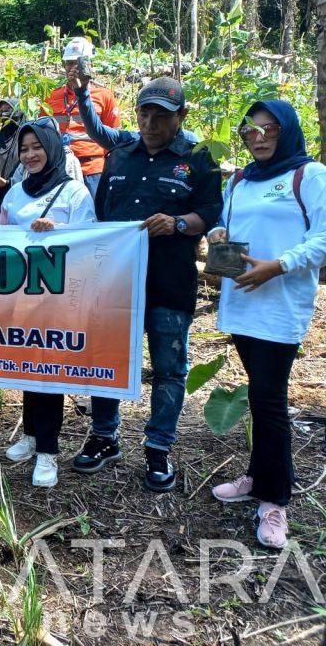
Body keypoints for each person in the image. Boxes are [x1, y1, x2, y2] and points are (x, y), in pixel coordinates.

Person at [69, 75, 223, 492]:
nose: (151, 123)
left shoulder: (199, 159)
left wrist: (177, 224)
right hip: (116, 283)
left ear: (181, 117)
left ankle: (158, 446)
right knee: (106, 360)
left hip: (170, 282)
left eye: (162, 116)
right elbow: (101, 219)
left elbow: (210, 212)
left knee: (169, 369)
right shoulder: (119, 157)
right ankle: (105, 436)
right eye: (145, 113)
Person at [207, 101, 325, 549]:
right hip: (242, 302)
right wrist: (216, 234)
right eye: (249, 129)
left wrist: (278, 266)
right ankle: (260, 476)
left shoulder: (309, 176)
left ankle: (275, 501)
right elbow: (224, 220)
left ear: (287, 130)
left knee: (269, 400)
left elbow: (323, 235)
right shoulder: (240, 179)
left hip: (280, 305)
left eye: (268, 128)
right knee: (260, 394)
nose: (257, 136)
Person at [0, 121, 96, 487]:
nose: (30, 155)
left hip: (57, 298)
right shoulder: (14, 193)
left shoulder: (74, 193)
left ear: (53, 149)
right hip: (20, 296)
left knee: (49, 373)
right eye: (24, 149)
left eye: (37, 147)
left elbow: (89, 241)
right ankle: (30, 435)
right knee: (27, 368)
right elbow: (1, 237)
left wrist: (58, 233)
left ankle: (48, 452)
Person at [45, 37, 121, 196]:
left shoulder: (104, 96)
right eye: (69, 63)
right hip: (61, 169)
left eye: (78, 62)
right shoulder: (52, 96)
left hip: (93, 170)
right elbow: (44, 135)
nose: (73, 67)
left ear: (89, 64)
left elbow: (115, 139)